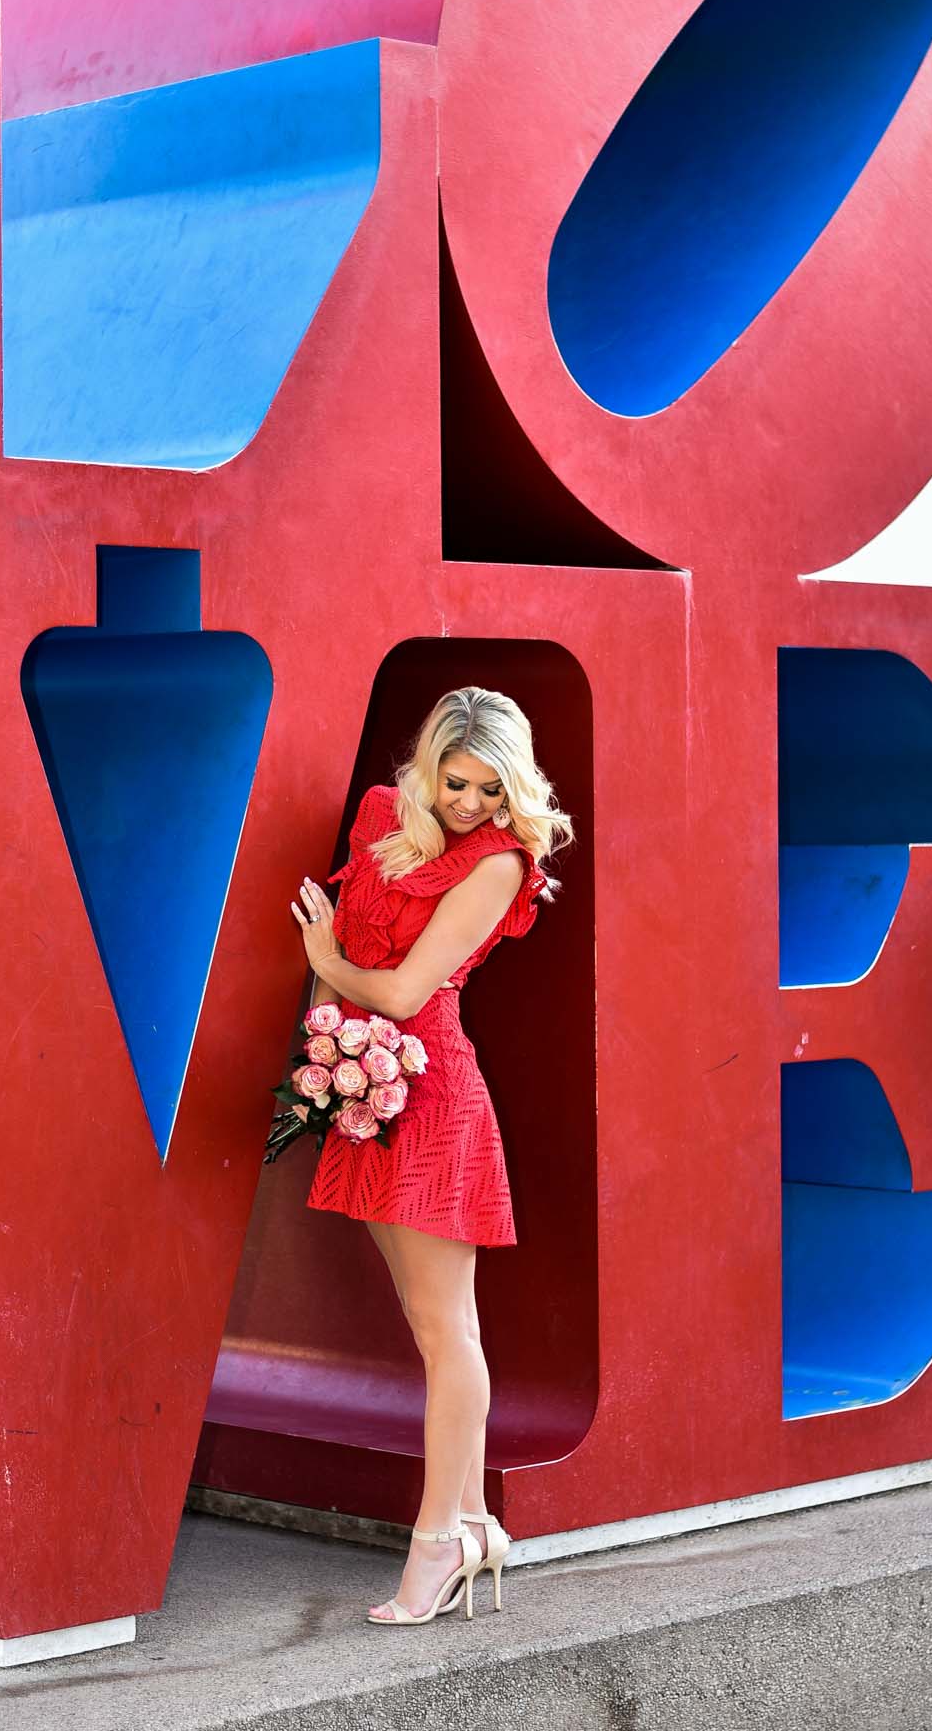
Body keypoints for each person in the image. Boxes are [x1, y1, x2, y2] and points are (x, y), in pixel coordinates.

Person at [290, 685, 573, 1626]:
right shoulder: (382, 816)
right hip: (367, 1091)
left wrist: (327, 964)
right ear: (427, 768)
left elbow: (409, 992)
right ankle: (474, 1523)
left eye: (494, 790)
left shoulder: (499, 863)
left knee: (448, 1331)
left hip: (433, 1091)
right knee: (433, 1328)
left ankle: (438, 1543)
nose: (473, 805)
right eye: (458, 782)